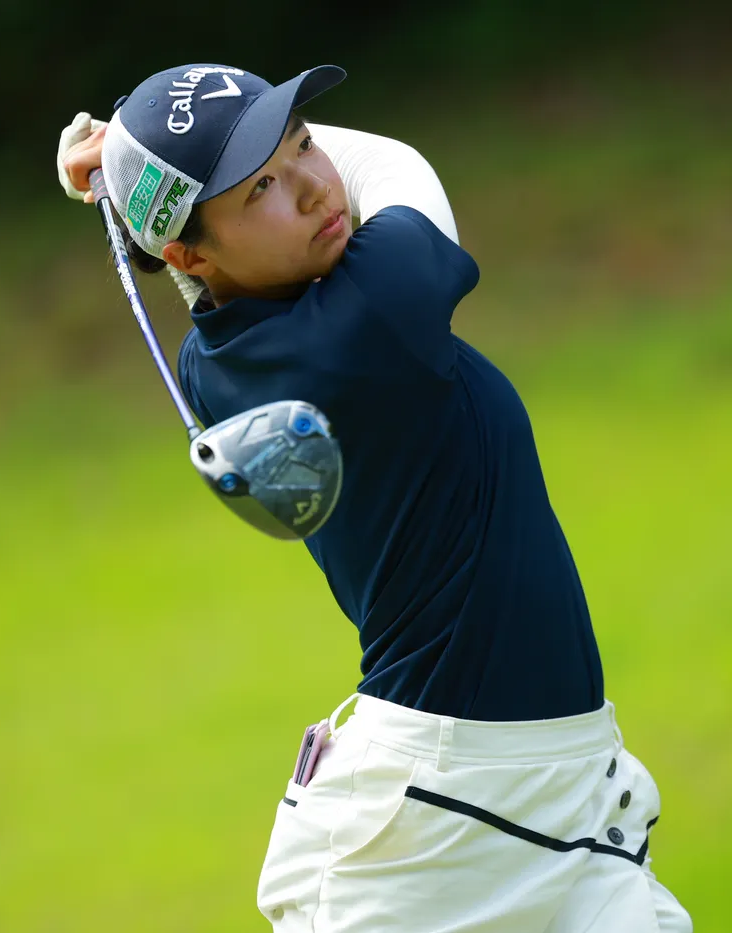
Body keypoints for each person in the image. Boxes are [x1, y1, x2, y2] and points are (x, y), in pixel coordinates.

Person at [56, 62, 692, 932]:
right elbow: (397, 168)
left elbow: (217, 269)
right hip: (427, 835)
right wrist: (131, 163)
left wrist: (143, 169)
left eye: (302, 143)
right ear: (189, 254)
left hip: (558, 789)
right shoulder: (376, 315)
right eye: (263, 188)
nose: (316, 187)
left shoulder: (215, 358)